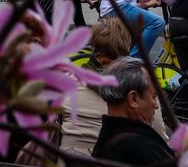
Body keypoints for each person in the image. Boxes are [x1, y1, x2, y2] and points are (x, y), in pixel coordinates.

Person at [52, 18, 169, 158]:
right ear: (127, 47)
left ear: (93, 47)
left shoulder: (69, 83)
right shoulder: (139, 90)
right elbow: (161, 139)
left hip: (68, 166)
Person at [92, 57, 182, 167]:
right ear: (133, 99)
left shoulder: (108, 139)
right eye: (153, 97)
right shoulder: (143, 149)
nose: (156, 106)